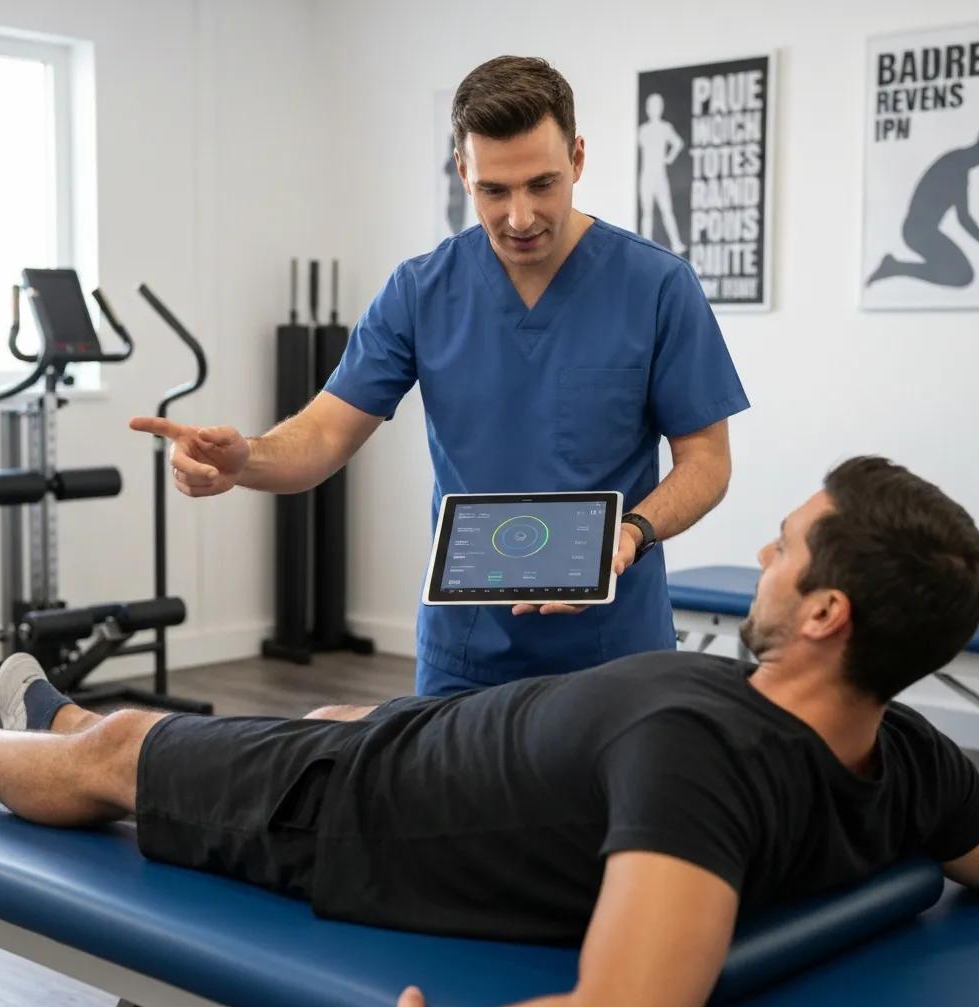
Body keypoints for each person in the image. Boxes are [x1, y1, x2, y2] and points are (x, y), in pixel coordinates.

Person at [0, 455, 979, 1007]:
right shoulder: (909, 752)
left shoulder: (701, 759)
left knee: (116, 757)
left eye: (784, 546)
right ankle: (59, 714)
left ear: (825, 613)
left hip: (352, 806)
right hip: (423, 738)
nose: (761, 554)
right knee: (321, 713)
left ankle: (44, 742)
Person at [129, 55, 749, 697]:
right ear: (463, 172)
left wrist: (631, 533)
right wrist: (245, 461)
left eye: (542, 184)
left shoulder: (657, 286)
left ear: (579, 159)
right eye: (494, 190)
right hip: (465, 654)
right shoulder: (421, 291)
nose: (520, 218)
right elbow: (322, 437)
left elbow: (707, 461)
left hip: (614, 651)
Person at [867, 123, 979, 288]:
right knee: (962, 275)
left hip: (921, 231)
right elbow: (964, 218)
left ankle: (895, 267)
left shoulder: (959, 165)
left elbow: (963, 217)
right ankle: (895, 267)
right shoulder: (956, 167)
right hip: (918, 232)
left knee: (962, 275)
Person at [638, 92, 686, 253]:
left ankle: (676, 243)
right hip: (646, 175)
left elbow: (678, 143)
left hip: (659, 175)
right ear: (647, 109)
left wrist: (669, 158)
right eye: (652, 106)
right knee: (647, 212)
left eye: (657, 106)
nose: (654, 109)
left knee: (667, 210)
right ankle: (645, 246)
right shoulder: (643, 130)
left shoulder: (665, 128)